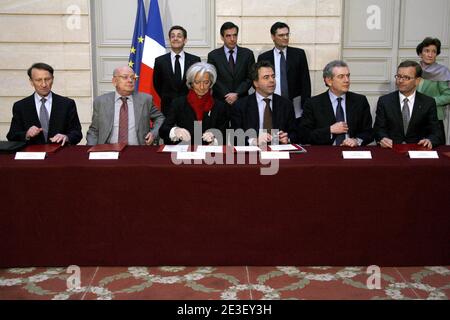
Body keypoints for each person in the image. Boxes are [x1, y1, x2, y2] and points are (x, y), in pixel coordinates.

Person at [298, 60, 373, 146]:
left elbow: (369, 132)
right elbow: (304, 136)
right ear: (329, 81)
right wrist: (330, 130)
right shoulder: (313, 104)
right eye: (341, 76)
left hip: (352, 152)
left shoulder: (360, 101)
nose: (347, 80)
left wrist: (356, 141)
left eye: (348, 76)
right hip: (325, 153)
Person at [7, 62, 82, 145]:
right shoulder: (20, 106)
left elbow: (77, 133)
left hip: (60, 154)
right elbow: (12, 136)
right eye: (38, 80)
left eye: (47, 79)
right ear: (31, 82)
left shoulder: (67, 104)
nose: (44, 84)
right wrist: (27, 134)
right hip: (32, 156)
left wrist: (66, 137)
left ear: (52, 79)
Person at [86, 66, 165, 145]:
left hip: (138, 149)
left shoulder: (145, 99)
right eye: (125, 77)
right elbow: (94, 130)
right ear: (114, 81)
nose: (130, 80)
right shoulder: (101, 102)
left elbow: (160, 118)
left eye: (133, 78)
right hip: (108, 149)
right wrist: (91, 149)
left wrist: (154, 133)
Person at [374, 60, 442, 149]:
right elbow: (378, 129)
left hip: (418, 151)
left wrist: (430, 140)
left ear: (417, 81)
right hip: (391, 151)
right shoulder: (385, 101)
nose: (400, 81)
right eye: (398, 76)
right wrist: (382, 138)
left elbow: (436, 132)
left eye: (406, 77)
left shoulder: (428, 102)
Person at [231, 60, 298, 146]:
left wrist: (287, 138)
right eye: (266, 77)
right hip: (252, 155)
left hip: (279, 153)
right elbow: (235, 136)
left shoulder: (286, 104)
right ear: (256, 83)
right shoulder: (240, 106)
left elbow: (295, 133)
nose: (272, 80)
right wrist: (254, 141)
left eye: (273, 76)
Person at [159, 62, 228, 145]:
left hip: (210, 154)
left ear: (211, 83)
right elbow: (163, 130)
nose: (202, 87)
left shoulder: (219, 106)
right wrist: (175, 131)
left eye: (206, 82)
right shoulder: (178, 103)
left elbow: (226, 133)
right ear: (191, 83)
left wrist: (215, 136)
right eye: (197, 82)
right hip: (183, 152)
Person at [257, 22, 311, 116]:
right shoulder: (264, 57)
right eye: (281, 35)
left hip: (295, 106)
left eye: (287, 34)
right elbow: (260, 82)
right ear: (273, 37)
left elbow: (305, 82)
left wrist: (305, 106)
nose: (285, 38)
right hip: (272, 103)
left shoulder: (299, 54)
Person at [153, 26, 201, 116]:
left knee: (191, 130)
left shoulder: (195, 60)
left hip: (190, 106)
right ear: (169, 40)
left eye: (179, 36)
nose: (175, 38)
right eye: (172, 36)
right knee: (170, 130)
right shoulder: (160, 61)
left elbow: (197, 84)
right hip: (168, 108)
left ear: (185, 40)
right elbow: (157, 84)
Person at [207, 22, 255, 108]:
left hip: (242, 100)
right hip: (221, 101)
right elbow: (212, 78)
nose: (232, 39)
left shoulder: (248, 54)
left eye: (235, 35)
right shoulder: (213, 55)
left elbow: (251, 77)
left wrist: (237, 94)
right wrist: (227, 95)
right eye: (228, 36)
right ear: (222, 37)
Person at [416, 37, 450, 144]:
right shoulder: (414, 69)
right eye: (427, 51)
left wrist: (429, 102)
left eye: (434, 51)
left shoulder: (442, 71)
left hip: (434, 119)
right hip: (415, 119)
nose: (430, 54)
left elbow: (448, 96)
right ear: (420, 53)